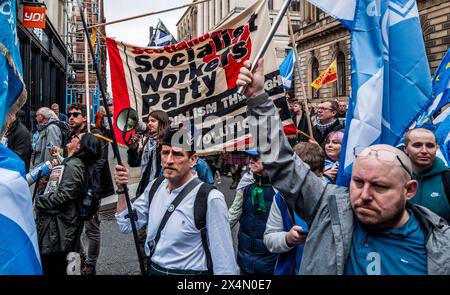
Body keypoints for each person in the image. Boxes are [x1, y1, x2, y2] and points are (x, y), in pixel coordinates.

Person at [237, 59, 450, 275]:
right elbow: (281, 162)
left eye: (380, 187)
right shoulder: (329, 208)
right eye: (358, 182)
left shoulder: (441, 245)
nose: (364, 195)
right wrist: (257, 97)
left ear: (409, 190)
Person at [115, 128, 238, 275]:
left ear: (193, 160)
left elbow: (224, 263)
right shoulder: (155, 186)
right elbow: (125, 224)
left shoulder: (210, 198)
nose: (169, 160)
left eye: (177, 154)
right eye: (165, 153)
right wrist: (122, 190)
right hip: (153, 269)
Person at [34, 133, 102, 275]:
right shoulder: (73, 163)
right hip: (63, 228)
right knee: (69, 265)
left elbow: (65, 195)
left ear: (80, 146)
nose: (73, 137)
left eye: (77, 137)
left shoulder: (74, 165)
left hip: (59, 229)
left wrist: (39, 202)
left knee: (56, 266)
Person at [64, 103, 115, 275]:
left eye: (75, 114)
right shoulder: (70, 135)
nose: (71, 117)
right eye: (69, 114)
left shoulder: (95, 134)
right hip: (74, 187)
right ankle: (82, 256)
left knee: (91, 227)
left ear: (84, 117)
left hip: (90, 188)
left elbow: (99, 162)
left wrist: (87, 178)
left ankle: (90, 265)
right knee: (73, 225)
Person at [264, 141, 326, 275]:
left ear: (321, 170)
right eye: (299, 176)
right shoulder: (281, 199)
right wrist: (287, 238)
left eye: (310, 175)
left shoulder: (335, 196)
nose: (305, 182)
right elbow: (269, 239)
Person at [228, 149, 278, 274]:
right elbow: (234, 212)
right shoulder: (246, 182)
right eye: (250, 157)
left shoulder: (281, 187)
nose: (251, 161)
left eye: (256, 158)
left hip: (271, 256)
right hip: (245, 252)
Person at [404, 128, 450, 223]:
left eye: (430, 146)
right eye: (417, 145)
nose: (424, 151)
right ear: (405, 149)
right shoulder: (396, 179)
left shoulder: (447, 178)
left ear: (436, 148)